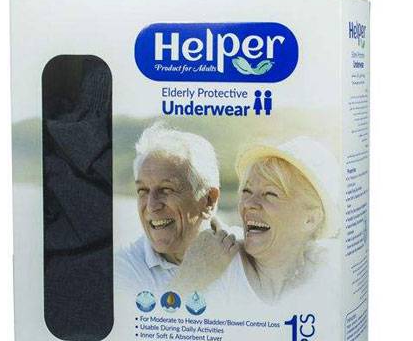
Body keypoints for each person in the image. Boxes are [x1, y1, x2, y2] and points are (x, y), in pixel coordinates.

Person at [172, 137, 339, 305]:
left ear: (310, 220)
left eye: (271, 194)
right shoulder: (216, 262)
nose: (248, 204)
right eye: (247, 191)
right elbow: (168, 314)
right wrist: (189, 279)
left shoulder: (329, 273)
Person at [116, 123, 220, 296]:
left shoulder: (250, 256)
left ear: (209, 200)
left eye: (166, 189)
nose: (151, 206)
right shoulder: (122, 268)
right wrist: (191, 278)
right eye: (143, 191)